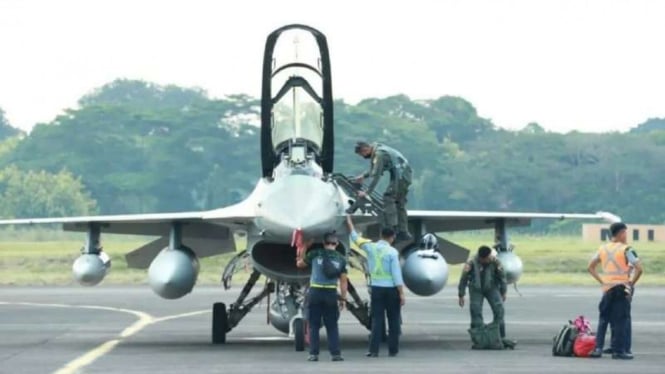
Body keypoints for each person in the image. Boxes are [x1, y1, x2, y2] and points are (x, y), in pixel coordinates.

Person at [346, 215, 405, 357]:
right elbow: (397, 275)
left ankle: (373, 351)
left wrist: (349, 221)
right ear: (392, 237)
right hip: (391, 290)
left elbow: (354, 237)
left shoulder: (370, 247)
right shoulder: (392, 252)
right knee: (394, 320)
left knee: (377, 320)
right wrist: (401, 293)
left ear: (380, 235)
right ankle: (393, 350)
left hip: (377, 290)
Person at [588, 222, 642, 360]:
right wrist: (630, 285)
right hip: (621, 288)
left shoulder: (602, 248)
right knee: (621, 320)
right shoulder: (627, 249)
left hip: (607, 288)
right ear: (621, 233)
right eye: (625, 233)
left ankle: (598, 348)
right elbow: (639, 269)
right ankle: (619, 351)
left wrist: (602, 281)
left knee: (604, 319)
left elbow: (591, 267)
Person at [296, 232, 348, 362]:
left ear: (324, 243)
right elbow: (343, 281)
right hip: (331, 294)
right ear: (336, 244)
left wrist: (304, 247)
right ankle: (335, 354)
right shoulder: (341, 259)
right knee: (332, 325)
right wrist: (343, 298)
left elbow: (300, 264)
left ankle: (313, 354)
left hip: (315, 293)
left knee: (313, 325)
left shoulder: (315, 254)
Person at [353, 141, 413, 242]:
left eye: (362, 154)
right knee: (399, 203)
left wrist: (367, 192)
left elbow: (376, 176)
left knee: (389, 197)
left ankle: (392, 229)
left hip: (400, 177)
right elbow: (375, 170)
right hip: (405, 175)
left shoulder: (379, 155)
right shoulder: (379, 150)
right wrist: (363, 176)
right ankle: (403, 231)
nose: (363, 156)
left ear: (365, 150)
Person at [458, 246, 514, 348]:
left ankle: (501, 337)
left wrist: (504, 291)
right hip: (476, 289)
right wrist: (461, 294)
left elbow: (502, 277)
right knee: (475, 311)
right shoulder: (471, 263)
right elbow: (464, 278)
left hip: (492, 288)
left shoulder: (495, 262)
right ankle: (478, 339)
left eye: (489, 257)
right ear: (481, 258)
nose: (488, 259)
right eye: (486, 258)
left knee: (499, 310)